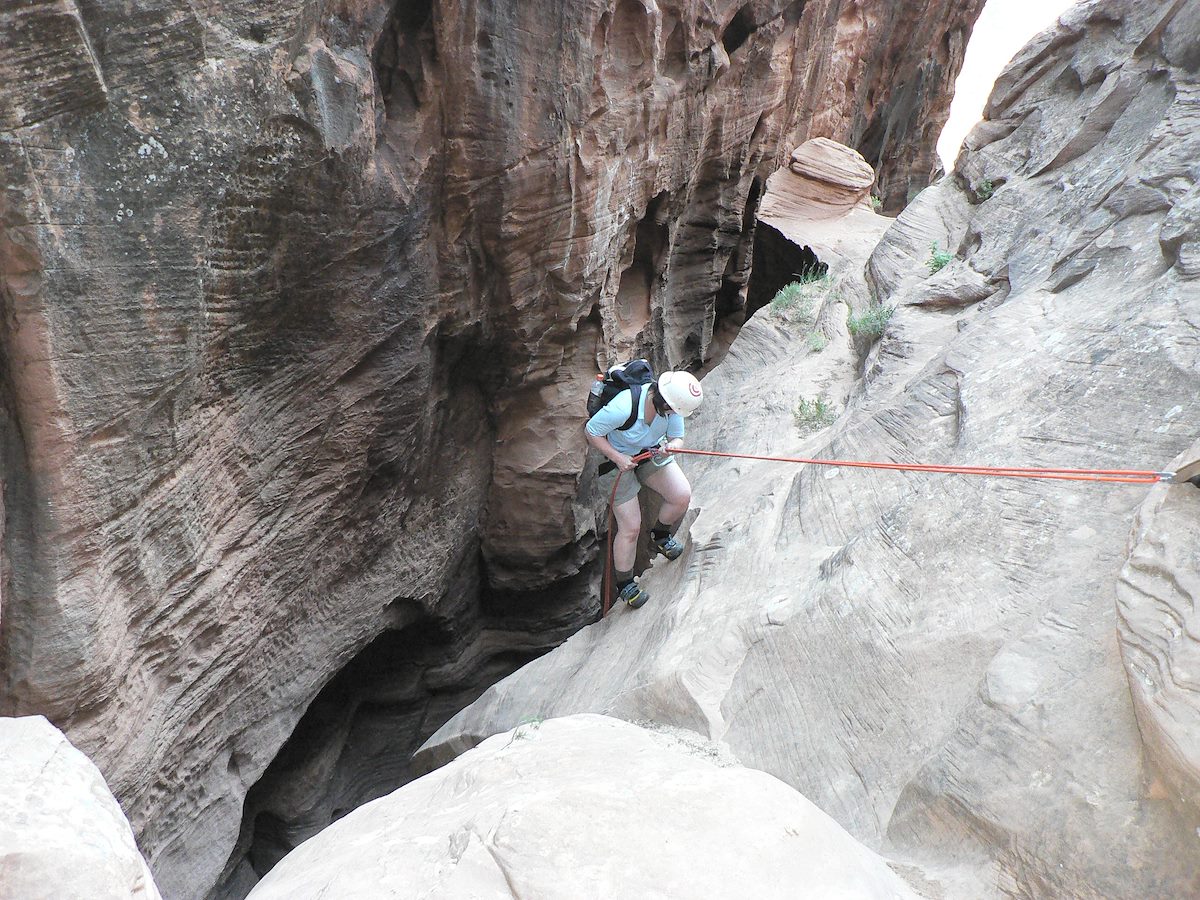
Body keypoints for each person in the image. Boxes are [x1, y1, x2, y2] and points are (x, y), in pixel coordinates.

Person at [584, 370, 704, 608]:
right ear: (662, 399)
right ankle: (625, 584)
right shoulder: (624, 406)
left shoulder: (672, 406)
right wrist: (617, 457)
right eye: (671, 410)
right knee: (630, 527)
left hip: (649, 453)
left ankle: (660, 536)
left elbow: (677, 436)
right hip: (615, 461)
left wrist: (672, 446)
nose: (672, 414)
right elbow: (591, 431)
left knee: (681, 495)